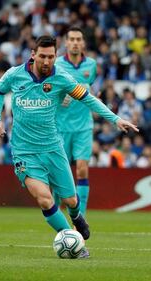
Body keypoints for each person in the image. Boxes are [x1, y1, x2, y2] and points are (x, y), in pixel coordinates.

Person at [0, 35, 138, 258]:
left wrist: (115, 119)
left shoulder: (62, 78)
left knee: (70, 200)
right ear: (33, 55)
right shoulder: (14, 74)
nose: (47, 61)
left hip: (53, 149)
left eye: (51, 57)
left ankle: (77, 215)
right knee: (44, 198)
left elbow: (88, 98)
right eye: (42, 56)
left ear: (56, 56)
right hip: (24, 152)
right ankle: (73, 240)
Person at [54, 26, 98, 217]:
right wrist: (59, 97)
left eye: (78, 39)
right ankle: (55, 214)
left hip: (83, 126)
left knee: (82, 170)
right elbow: (49, 90)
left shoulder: (91, 65)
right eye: (71, 39)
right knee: (57, 175)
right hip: (60, 128)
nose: (75, 43)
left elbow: (90, 90)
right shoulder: (57, 65)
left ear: (83, 43)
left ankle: (81, 218)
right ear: (66, 42)